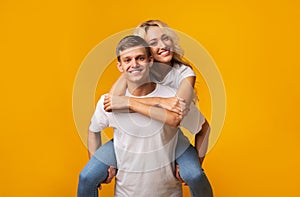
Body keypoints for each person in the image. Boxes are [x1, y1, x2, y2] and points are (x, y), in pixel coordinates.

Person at [78, 20, 213, 197]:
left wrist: (132, 103)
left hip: (171, 132)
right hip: (130, 141)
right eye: (154, 42)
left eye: (166, 38)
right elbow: (113, 101)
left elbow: (174, 118)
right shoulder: (136, 67)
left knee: (194, 174)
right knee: (87, 176)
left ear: (148, 59)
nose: (163, 45)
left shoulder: (183, 73)